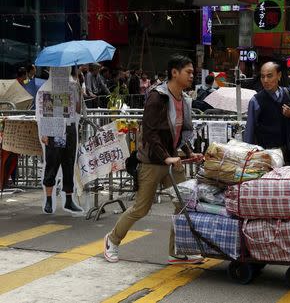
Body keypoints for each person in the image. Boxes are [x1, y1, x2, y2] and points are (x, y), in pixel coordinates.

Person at [104, 54, 203, 264]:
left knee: (183, 203)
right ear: (174, 73)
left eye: (192, 72)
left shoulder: (184, 99)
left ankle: (177, 251)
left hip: (172, 160)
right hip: (152, 161)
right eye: (188, 72)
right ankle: (112, 240)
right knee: (141, 208)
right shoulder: (157, 96)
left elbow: (179, 132)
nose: (192, 76)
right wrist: (165, 157)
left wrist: (188, 151)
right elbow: (150, 133)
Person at [243, 61, 290, 165]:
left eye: (269, 76)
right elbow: (249, 131)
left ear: (279, 76)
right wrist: (247, 155)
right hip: (267, 156)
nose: (265, 80)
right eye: (262, 77)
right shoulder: (256, 101)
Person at [41, 67, 83, 214]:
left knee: (68, 162)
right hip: (55, 129)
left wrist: (79, 90)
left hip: (69, 128)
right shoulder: (47, 87)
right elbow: (43, 113)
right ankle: (48, 199)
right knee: (53, 162)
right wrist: (45, 132)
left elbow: (78, 109)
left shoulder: (73, 85)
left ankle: (69, 200)